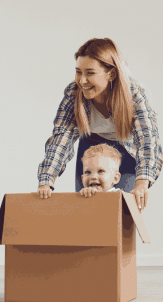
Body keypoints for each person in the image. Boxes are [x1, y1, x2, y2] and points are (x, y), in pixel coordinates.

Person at [37, 38, 162, 210]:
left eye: (90, 73)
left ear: (111, 74)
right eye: (78, 72)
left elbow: (147, 141)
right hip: (93, 145)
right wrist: (46, 181)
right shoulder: (74, 94)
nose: (82, 81)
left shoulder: (134, 94)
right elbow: (61, 138)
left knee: (119, 210)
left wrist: (141, 183)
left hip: (128, 150)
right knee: (87, 208)